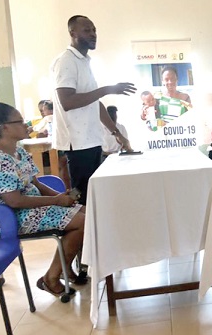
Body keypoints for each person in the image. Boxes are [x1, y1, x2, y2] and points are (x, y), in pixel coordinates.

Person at [0, 95, 86, 298]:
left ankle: (63, 267)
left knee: (85, 212)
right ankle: (51, 278)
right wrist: (56, 201)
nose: (26, 125)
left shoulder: (18, 152)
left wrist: (62, 197)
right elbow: (14, 201)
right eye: (19, 121)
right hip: (8, 218)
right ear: (4, 127)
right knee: (81, 222)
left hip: (31, 210)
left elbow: (36, 183)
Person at [51, 15, 135, 205]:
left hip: (91, 139)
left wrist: (116, 133)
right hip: (78, 142)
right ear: (72, 33)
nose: (93, 34)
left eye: (94, 30)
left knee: (94, 195)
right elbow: (67, 101)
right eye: (87, 30)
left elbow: (94, 102)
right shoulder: (66, 61)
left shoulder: (84, 61)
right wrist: (108, 89)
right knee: (84, 197)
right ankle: (83, 234)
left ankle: (94, 233)